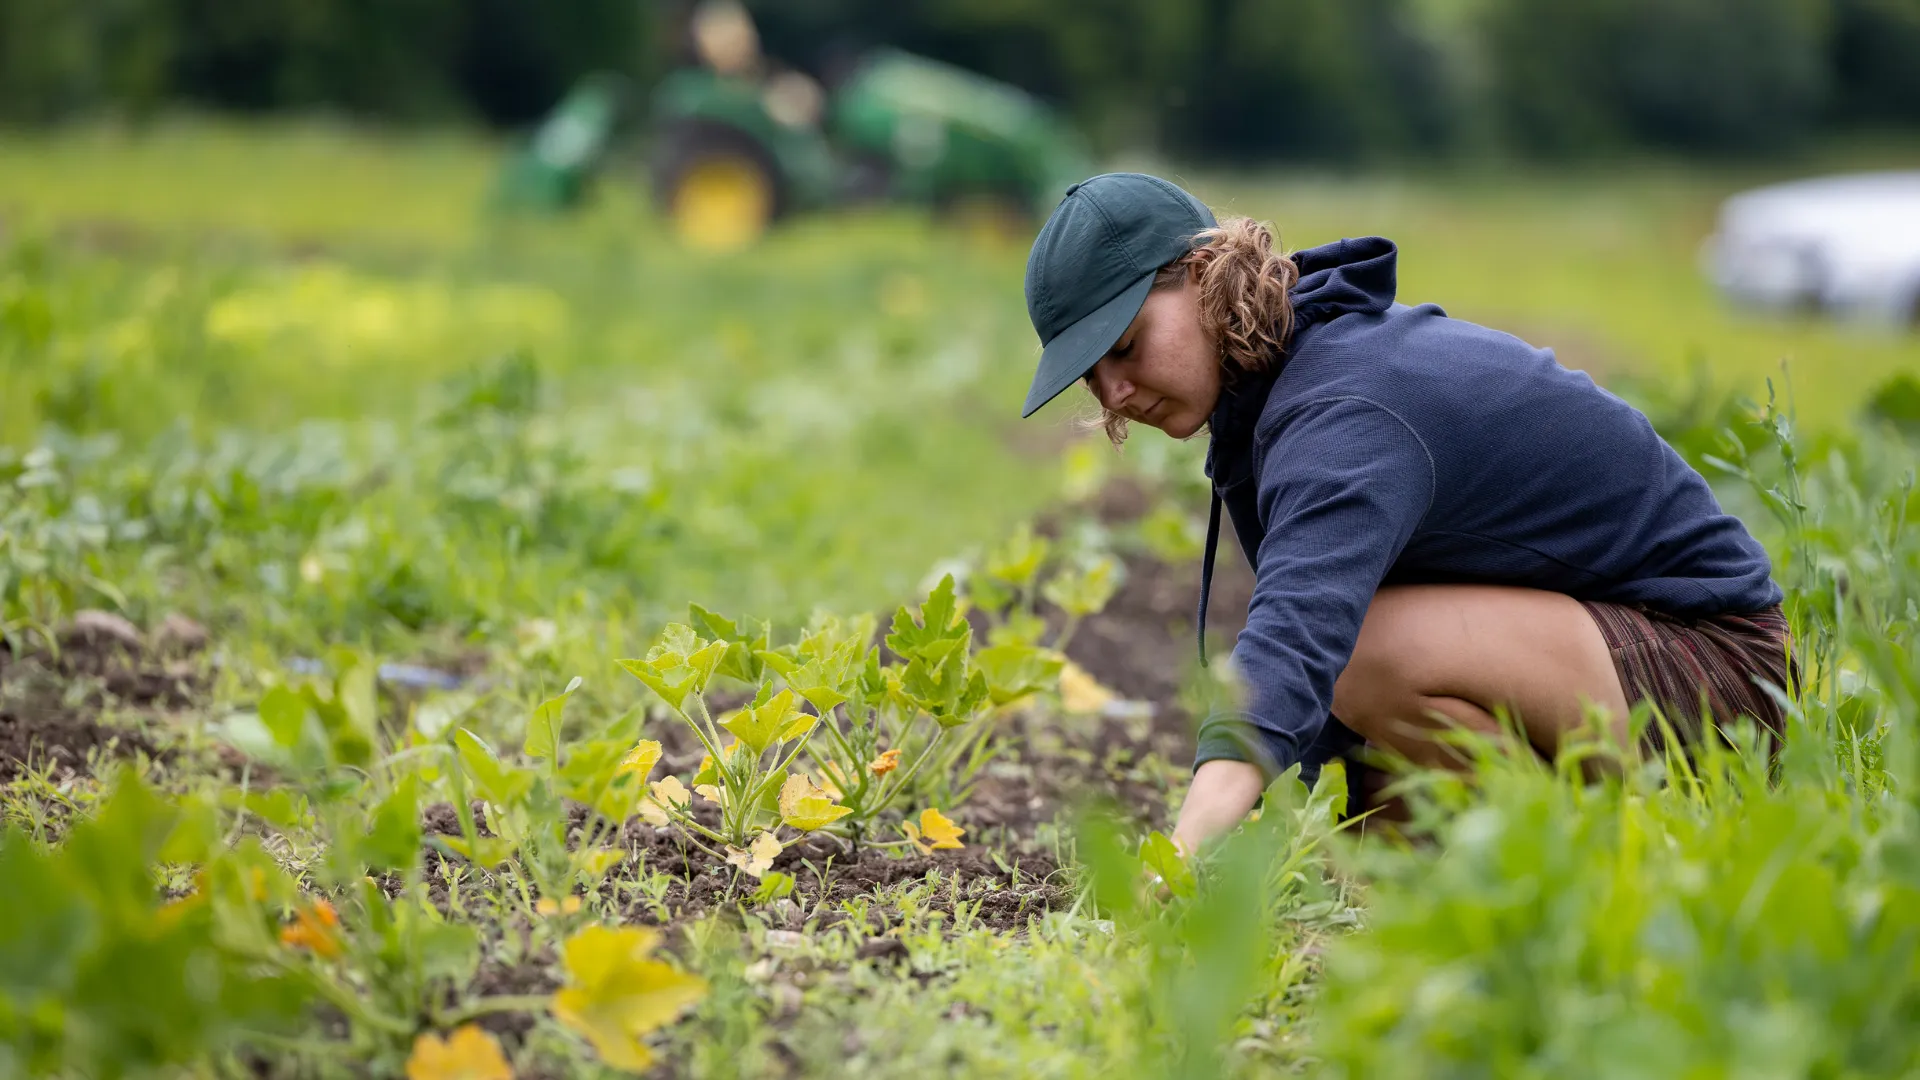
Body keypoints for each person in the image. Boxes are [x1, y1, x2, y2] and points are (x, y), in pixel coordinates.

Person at [1018, 173, 1794, 855]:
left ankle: (1585, 866)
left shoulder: (1347, 409)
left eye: (1126, 345)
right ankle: (1518, 871)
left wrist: (1182, 852)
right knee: (1377, 837)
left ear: (1201, 274)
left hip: (1720, 682)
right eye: (1094, 375)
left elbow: (1299, 637)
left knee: (1361, 656)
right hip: (1599, 655)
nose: (1115, 391)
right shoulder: (1288, 378)